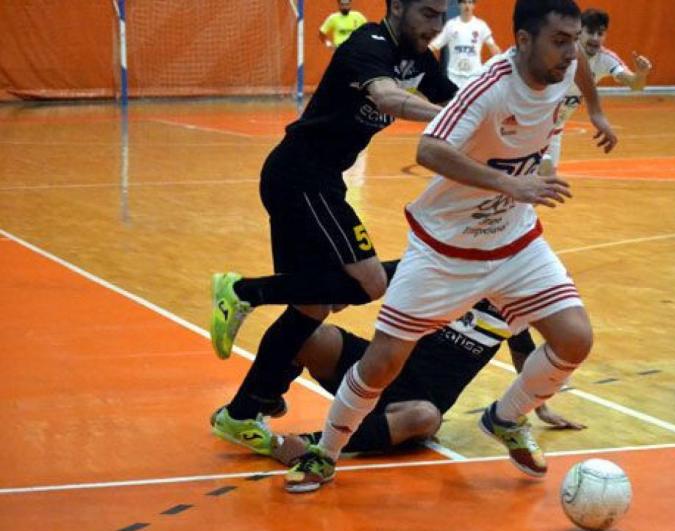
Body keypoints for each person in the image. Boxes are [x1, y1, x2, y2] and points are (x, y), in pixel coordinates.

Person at [283, 0, 618, 493]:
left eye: (574, 41)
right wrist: (512, 185)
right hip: (445, 248)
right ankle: (324, 453)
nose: (572, 54)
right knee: (382, 362)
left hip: (514, 240)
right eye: (560, 42)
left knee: (575, 338)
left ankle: (506, 419)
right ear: (523, 41)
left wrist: (598, 112)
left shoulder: (566, 65)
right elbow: (429, 150)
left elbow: (584, 68)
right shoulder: (488, 88)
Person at [208, 0, 458, 456]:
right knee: (369, 281)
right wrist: (447, 119)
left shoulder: (421, 59)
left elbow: (458, 98)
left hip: (313, 181)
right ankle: (245, 291)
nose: (435, 27)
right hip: (303, 176)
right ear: (397, 7)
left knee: (311, 307)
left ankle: (243, 413)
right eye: (427, 13)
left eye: (442, 16)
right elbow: (387, 98)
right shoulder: (367, 44)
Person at [266, 299, 586, 466]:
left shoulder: (513, 308)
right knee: (309, 336)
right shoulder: (447, 279)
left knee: (425, 418)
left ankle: (306, 445)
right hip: (378, 369)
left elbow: (524, 356)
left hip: (414, 403)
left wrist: (539, 408)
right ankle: (259, 403)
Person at [549, 8, 653, 164]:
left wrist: (641, 74)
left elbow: (635, 85)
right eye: (590, 32)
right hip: (530, 126)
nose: (595, 38)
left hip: (554, 131)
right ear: (579, 32)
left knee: (546, 179)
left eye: (600, 33)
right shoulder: (559, 53)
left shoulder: (605, 59)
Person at [429, 0, 502, 89]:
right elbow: (435, 45)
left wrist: (498, 65)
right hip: (454, 77)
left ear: (474, 6)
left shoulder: (480, 25)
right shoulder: (451, 25)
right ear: (459, 5)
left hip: (474, 77)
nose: (467, 6)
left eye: (470, 2)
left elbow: (493, 48)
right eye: (464, 3)